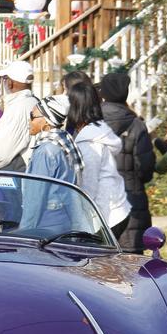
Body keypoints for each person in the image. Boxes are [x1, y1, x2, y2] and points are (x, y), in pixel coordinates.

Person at [100, 71, 155, 253]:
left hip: (99, 203)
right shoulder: (136, 125)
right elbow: (145, 169)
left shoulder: (91, 123)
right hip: (131, 201)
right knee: (131, 267)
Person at [68, 82, 130, 241]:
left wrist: (80, 223)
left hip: (106, 216)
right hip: (116, 208)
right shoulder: (99, 130)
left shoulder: (89, 141)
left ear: (75, 106)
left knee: (97, 264)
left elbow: (88, 186)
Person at [22, 95, 86, 234]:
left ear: (46, 122)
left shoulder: (45, 151)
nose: (29, 120)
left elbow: (35, 198)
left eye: (32, 116)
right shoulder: (64, 141)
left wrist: (25, 232)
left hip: (47, 224)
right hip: (65, 219)